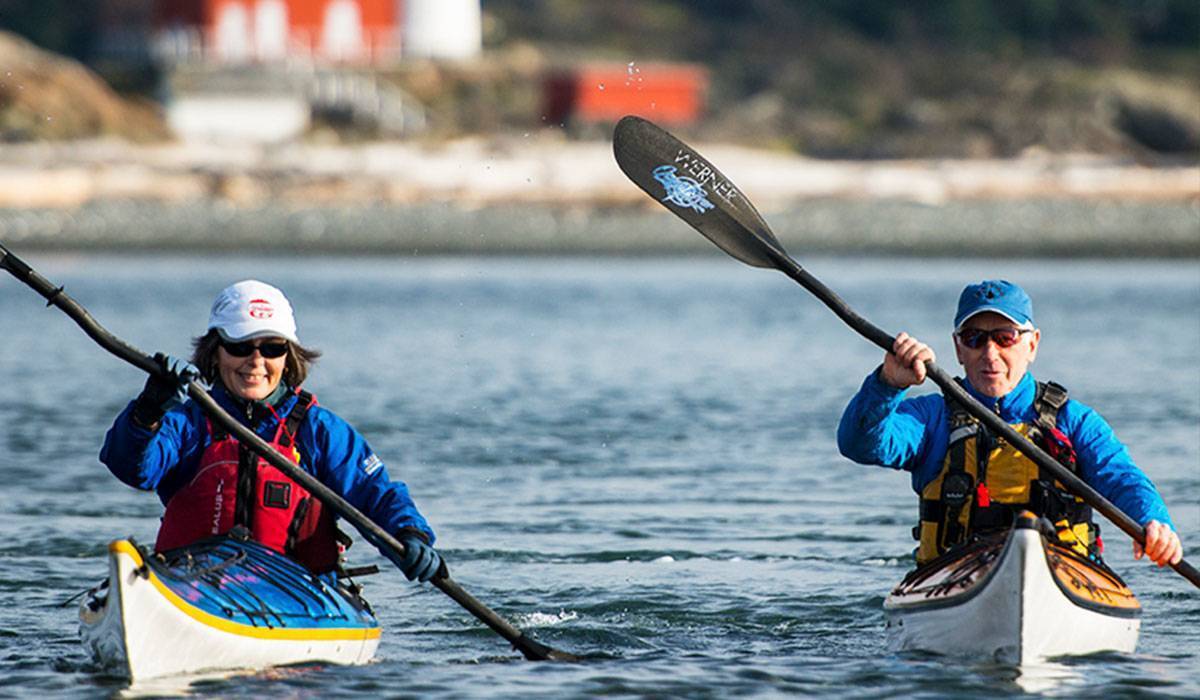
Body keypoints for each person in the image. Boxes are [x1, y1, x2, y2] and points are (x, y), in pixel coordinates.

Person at [100, 280, 443, 582]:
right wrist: (148, 410)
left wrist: (409, 534)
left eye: (272, 348)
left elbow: (376, 494)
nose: (256, 361)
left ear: (288, 356)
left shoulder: (319, 431)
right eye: (240, 347)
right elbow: (132, 469)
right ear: (215, 352)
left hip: (300, 593)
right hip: (194, 584)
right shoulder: (188, 422)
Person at [837, 279, 1183, 568]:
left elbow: (1121, 478)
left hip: (1062, 573)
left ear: (1031, 343)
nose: (989, 353)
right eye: (974, 338)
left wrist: (1155, 522)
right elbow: (859, 444)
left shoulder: (1073, 421)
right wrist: (887, 384)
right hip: (954, 574)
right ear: (958, 348)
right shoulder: (931, 418)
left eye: (1005, 337)